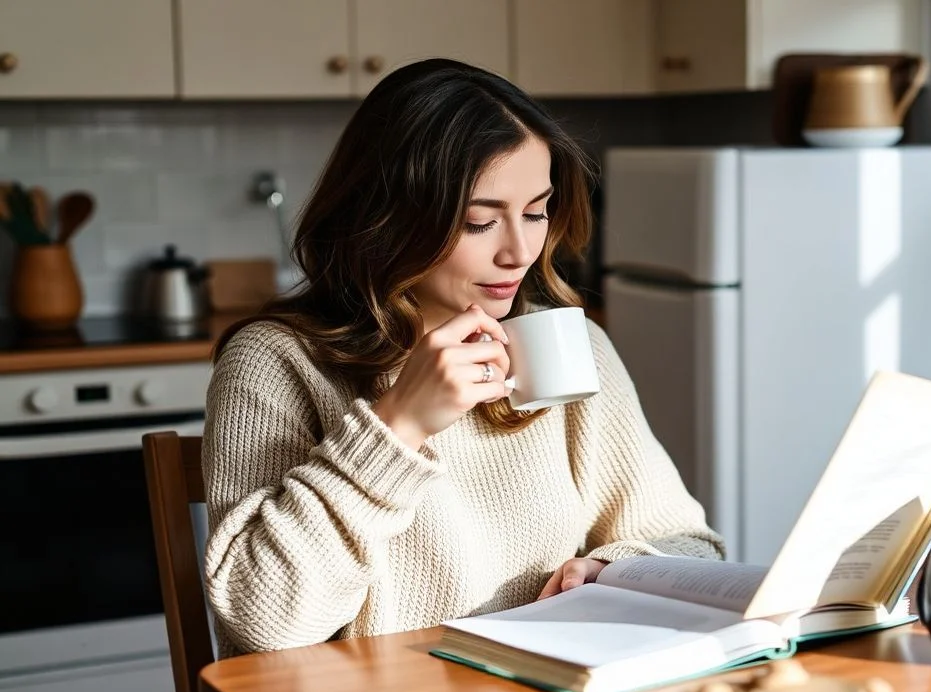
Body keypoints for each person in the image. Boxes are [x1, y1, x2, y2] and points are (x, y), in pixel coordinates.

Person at [202, 58, 725, 657]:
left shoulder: (567, 349)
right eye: (480, 222)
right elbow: (260, 622)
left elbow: (691, 545)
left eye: (535, 212)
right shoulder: (276, 363)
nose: (521, 251)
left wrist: (613, 569)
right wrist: (398, 426)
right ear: (389, 219)